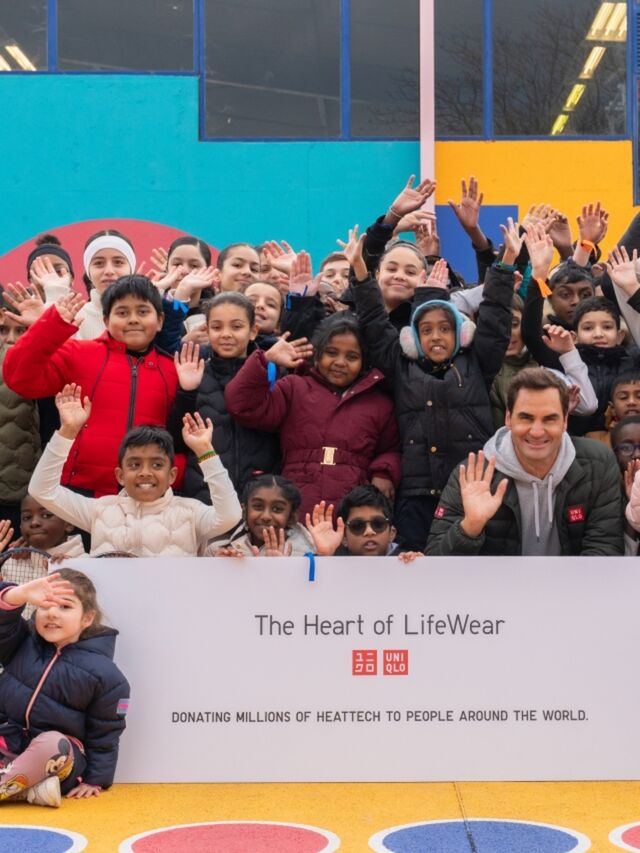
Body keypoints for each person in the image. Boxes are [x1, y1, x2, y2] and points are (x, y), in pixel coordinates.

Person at [344, 224, 513, 550]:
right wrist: (361, 270)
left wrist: (505, 264)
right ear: (412, 338)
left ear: (460, 333)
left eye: (445, 329)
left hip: (472, 488)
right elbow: (374, 321)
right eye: (426, 330)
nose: (436, 336)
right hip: (416, 496)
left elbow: (495, 319)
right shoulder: (400, 365)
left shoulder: (478, 362)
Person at [3, 276, 180, 497]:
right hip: (81, 493)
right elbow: (19, 379)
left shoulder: (174, 370)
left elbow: (181, 437)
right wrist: (47, 326)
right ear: (105, 320)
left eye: (143, 312)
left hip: (149, 493)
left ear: (160, 320)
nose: (133, 319)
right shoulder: (78, 353)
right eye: (122, 312)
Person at [426, 368, 623, 556]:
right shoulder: (473, 474)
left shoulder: (598, 464)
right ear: (508, 418)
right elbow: (435, 563)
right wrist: (470, 527)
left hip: (572, 581)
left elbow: (604, 551)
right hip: (498, 581)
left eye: (549, 419)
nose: (536, 432)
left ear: (565, 421)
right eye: (526, 418)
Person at [225, 312, 401, 520]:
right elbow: (243, 407)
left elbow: (391, 449)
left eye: (352, 357)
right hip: (296, 505)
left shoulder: (378, 403)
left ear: (364, 361)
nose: (340, 362)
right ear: (316, 354)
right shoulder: (294, 387)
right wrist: (266, 359)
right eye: (331, 353)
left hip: (352, 511)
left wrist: (383, 473)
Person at [28, 385, 242, 556]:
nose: (145, 472)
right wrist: (68, 431)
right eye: (134, 465)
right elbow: (41, 490)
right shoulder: (99, 510)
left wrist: (205, 451)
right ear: (120, 476)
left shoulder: (190, 512)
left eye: (157, 465)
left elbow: (230, 516)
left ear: (172, 476)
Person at [0, 569, 129, 806]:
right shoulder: (21, 641)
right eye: (45, 605)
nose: (52, 613)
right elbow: (3, 623)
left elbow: (106, 733)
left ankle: (14, 785)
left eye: (65, 607)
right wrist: (19, 594)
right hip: (10, 744)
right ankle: (28, 790)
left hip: (60, 760)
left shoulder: (106, 675)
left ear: (87, 618)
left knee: (53, 742)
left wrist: (96, 780)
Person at [169, 293, 280, 499]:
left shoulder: (272, 373)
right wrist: (187, 391)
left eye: (236, 327)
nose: (226, 334)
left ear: (253, 331)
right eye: (217, 327)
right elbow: (176, 441)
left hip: (260, 494)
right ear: (207, 330)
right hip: (205, 493)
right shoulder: (194, 371)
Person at [0, 495, 84, 617]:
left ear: (68, 523)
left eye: (46, 515)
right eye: (27, 517)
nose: (34, 523)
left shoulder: (85, 564)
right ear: (20, 527)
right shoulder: (10, 563)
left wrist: (69, 573)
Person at [305, 486, 421, 560]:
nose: (369, 532)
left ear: (392, 533)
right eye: (357, 526)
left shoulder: (406, 561)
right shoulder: (332, 559)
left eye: (378, 524)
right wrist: (324, 556)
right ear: (344, 538)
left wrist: (419, 566)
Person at [210, 474, 315, 556]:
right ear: (244, 511)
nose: (266, 516)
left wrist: (281, 567)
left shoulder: (308, 555)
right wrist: (223, 566)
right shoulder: (219, 550)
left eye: (277, 509)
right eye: (258, 506)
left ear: (292, 517)